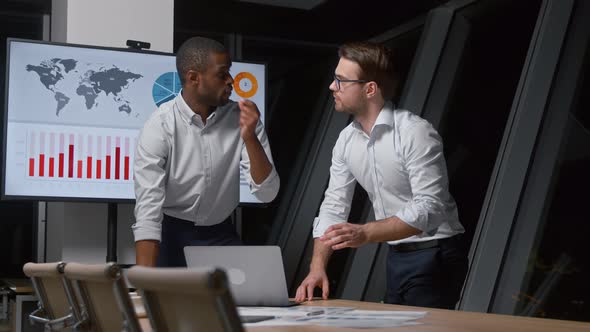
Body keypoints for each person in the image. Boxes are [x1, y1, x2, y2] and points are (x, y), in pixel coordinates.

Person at [294, 41, 468, 309]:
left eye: (341, 80)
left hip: (436, 252)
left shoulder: (415, 132)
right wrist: (317, 267)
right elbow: (334, 205)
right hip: (396, 253)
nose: (332, 86)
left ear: (370, 89)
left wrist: (365, 233)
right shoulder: (346, 140)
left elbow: (429, 208)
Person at [132, 37, 280, 267]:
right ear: (193, 77)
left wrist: (250, 137)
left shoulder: (244, 119)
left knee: (256, 295)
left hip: (220, 233)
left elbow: (267, 193)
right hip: (171, 234)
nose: (231, 80)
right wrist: (143, 286)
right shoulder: (159, 126)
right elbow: (148, 212)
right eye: (223, 74)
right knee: (165, 300)